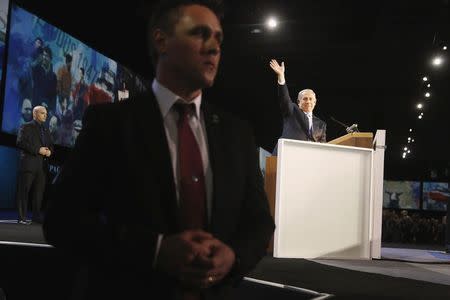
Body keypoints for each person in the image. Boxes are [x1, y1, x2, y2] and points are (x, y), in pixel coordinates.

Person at [43, 1, 275, 299]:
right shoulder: (110, 124)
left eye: (218, 38)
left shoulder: (238, 133)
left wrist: (233, 257)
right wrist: (155, 251)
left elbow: (258, 221)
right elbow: (62, 220)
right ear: (161, 39)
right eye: (200, 34)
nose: (214, 47)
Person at [269, 59, 326, 155]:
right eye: (305, 99)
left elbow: (323, 147)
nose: (308, 101)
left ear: (315, 102)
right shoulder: (292, 111)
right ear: (299, 102)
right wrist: (281, 76)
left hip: (307, 159)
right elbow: (285, 98)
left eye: (311, 99)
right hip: (286, 154)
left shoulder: (321, 124)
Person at [16, 106, 53, 224]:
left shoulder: (46, 130)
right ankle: (22, 217)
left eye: (46, 113)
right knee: (24, 191)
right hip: (29, 164)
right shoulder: (26, 126)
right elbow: (20, 142)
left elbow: (51, 145)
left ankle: (36, 216)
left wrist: (50, 151)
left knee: (39, 193)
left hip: (41, 167)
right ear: (35, 114)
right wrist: (38, 150)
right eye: (43, 113)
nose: (45, 115)